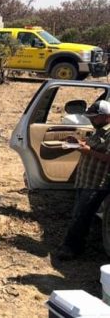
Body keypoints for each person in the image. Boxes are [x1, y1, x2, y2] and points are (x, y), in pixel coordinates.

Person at [55, 100, 110, 261]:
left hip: (97, 183)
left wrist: (87, 150)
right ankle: (73, 246)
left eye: (94, 117)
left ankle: (71, 249)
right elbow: (94, 146)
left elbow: (107, 157)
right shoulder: (99, 130)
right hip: (86, 180)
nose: (91, 120)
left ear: (106, 116)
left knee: (81, 216)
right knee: (80, 214)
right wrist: (79, 143)